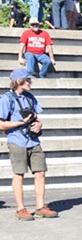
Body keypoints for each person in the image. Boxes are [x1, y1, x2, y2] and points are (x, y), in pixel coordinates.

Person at [0, 68, 57, 221]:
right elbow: (0, 124)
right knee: (19, 175)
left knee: (40, 173)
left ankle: (40, 207)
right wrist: (20, 123)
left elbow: (38, 119)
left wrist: (39, 125)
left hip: (33, 140)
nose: (30, 82)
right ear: (19, 82)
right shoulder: (6, 99)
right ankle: (20, 209)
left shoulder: (31, 97)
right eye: (28, 80)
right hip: (17, 141)